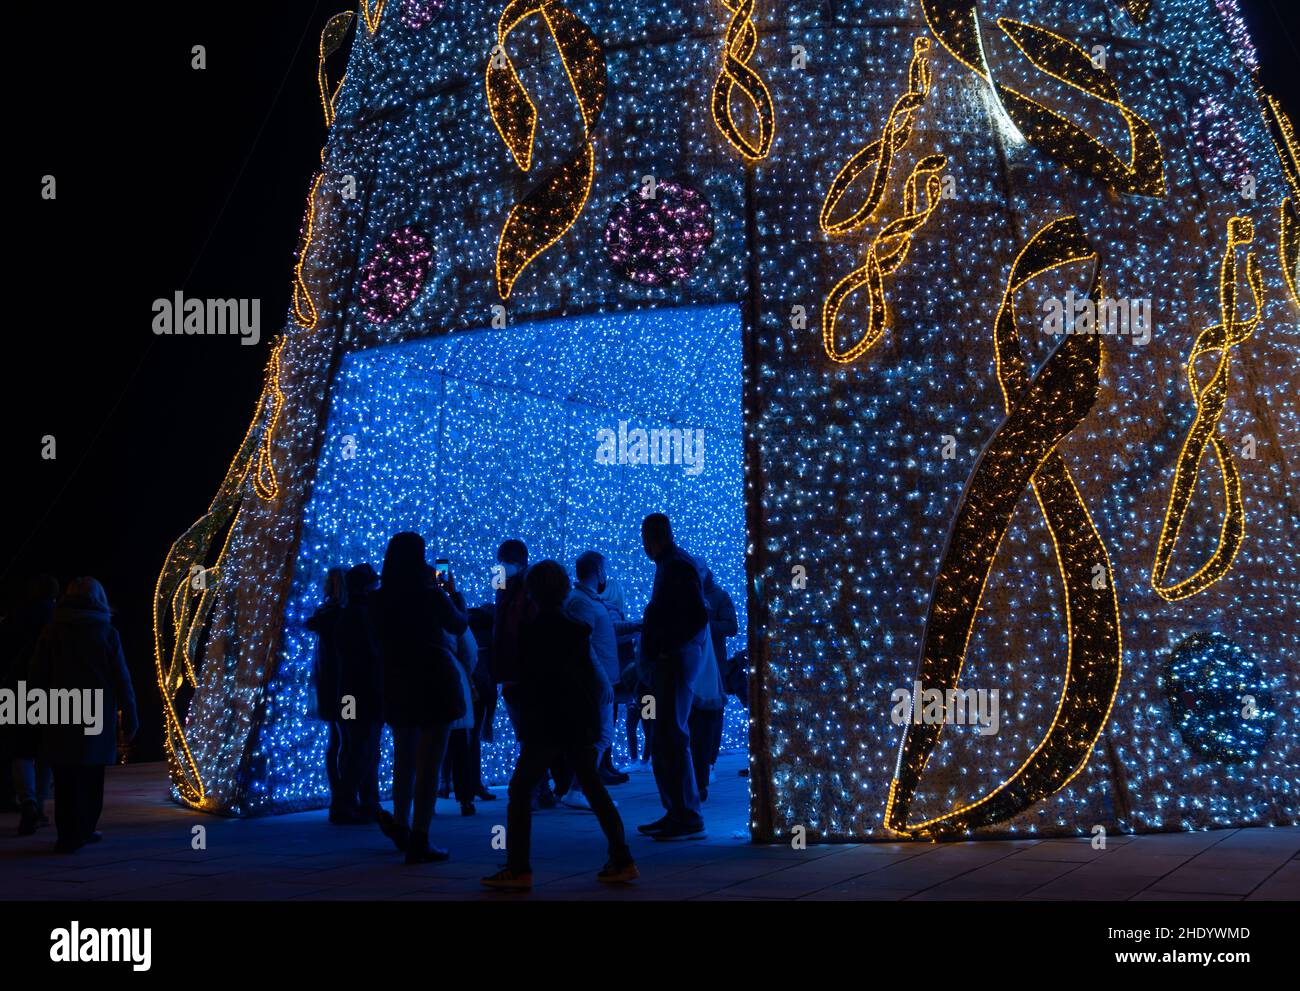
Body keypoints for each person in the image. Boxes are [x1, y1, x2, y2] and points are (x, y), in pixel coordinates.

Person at [481, 561, 637, 890]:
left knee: (520, 790)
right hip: (578, 719)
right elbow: (583, 673)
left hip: (547, 723)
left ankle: (518, 867)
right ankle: (622, 858)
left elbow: (533, 681)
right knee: (593, 786)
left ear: (533, 591)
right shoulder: (576, 629)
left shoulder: (532, 632)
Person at [372, 532, 468, 864]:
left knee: (404, 759)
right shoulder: (430, 595)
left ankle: (401, 823)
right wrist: (453, 593)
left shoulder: (379, 599)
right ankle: (421, 837)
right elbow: (457, 625)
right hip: (434, 679)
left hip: (397, 680)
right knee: (430, 763)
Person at [29, 578, 138, 853]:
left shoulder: (52, 630)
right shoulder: (107, 632)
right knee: (92, 776)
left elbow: (37, 675)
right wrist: (131, 716)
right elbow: (121, 678)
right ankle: (85, 829)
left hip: (60, 711)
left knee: (64, 777)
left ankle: (68, 834)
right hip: (96, 715)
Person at [636, 513, 709, 841]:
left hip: (674, 661)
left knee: (670, 735)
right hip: (675, 658)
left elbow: (695, 615)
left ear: (652, 536)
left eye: (644, 536)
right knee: (668, 735)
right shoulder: (674, 564)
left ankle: (685, 814)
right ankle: (677, 811)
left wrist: (667, 649)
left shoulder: (675, 566)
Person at [491, 539, 559, 809]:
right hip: (516, 672)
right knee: (530, 733)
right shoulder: (511, 587)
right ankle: (540, 789)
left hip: (520, 671)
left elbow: (510, 626)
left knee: (530, 733)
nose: (500, 568)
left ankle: (531, 790)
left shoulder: (526, 589)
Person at [560, 551, 619, 809]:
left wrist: (639, 625)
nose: (606, 574)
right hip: (596, 681)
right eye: (604, 569)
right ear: (597, 571)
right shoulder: (581, 602)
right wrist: (602, 679)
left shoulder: (589, 600)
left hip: (601, 678)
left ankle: (580, 788)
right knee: (600, 735)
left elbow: (603, 633)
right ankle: (579, 789)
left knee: (600, 735)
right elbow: (584, 643)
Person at [2, 575, 59, 834]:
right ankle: (39, 806)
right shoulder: (58, 620)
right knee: (46, 752)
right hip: (49, 690)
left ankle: (28, 802)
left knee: (21, 751)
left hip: (14, 689)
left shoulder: (14, 619)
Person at [334, 563, 384, 823]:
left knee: (356, 746)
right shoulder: (363, 615)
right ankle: (352, 802)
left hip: (348, 692)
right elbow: (372, 656)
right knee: (363, 747)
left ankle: (362, 801)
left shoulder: (346, 613)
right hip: (364, 691)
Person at [690, 564, 737, 801]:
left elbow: (732, 627)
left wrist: (704, 623)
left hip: (714, 665)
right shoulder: (688, 594)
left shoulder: (719, 596)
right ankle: (698, 767)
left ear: (707, 572)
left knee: (713, 715)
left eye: (700, 570)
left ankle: (709, 762)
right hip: (693, 666)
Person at [305, 568, 348, 822]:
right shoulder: (342, 616)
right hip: (344, 688)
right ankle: (344, 798)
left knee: (337, 741)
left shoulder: (323, 615)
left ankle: (339, 797)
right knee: (347, 741)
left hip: (329, 686)